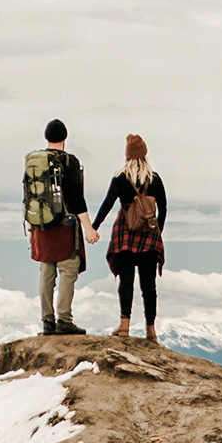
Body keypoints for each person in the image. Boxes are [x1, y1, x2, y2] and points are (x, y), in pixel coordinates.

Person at [92, 133, 167, 342]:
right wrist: (156, 231)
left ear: (127, 156)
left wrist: (93, 227)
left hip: (124, 235)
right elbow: (164, 208)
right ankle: (151, 331)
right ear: (145, 155)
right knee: (149, 286)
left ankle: (124, 327)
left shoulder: (120, 178)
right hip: (149, 238)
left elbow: (107, 205)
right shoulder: (155, 179)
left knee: (126, 282)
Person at [29, 118, 99, 335]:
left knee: (46, 271)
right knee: (68, 269)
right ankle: (64, 320)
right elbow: (77, 199)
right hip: (64, 225)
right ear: (65, 137)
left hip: (40, 225)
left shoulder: (35, 161)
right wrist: (88, 227)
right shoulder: (69, 162)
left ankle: (47, 321)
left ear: (46, 137)